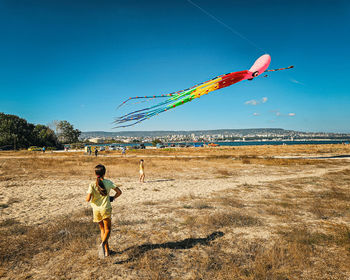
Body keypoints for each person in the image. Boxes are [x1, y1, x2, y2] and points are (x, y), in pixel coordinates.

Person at [86, 164, 122, 258]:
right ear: (104, 173)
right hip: (105, 208)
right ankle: (103, 244)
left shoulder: (92, 184)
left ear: (95, 173)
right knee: (108, 230)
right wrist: (113, 198)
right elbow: (119, 192)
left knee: (102, 230)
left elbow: (87, 199)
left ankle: (107, 252)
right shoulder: (109, 182)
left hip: (96, 210)